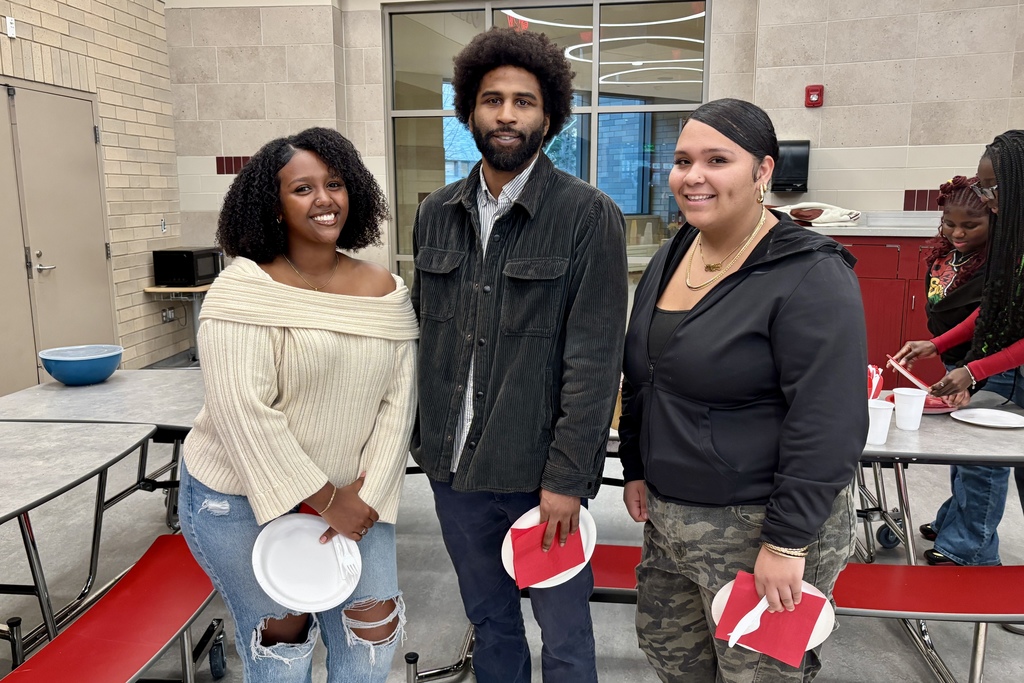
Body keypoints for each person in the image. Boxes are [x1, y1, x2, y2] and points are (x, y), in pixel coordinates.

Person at [618, 98, 867, 682]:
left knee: (758, 675)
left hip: (762, 529)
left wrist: (785, 543)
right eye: (682, 161)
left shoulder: (809, 272)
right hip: (672, 522)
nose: (693, 176)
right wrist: (635, 464)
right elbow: (644, 373)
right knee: (673, 659)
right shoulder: (673, 252)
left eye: (717, 160)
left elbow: (828, 420)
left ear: (763, 171)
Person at [410, 27, 627, 683]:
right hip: (454, 475)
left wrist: (567, 480)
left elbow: (594, 364)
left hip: (539, 479)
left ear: (549, 116)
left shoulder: (588, 215)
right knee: (491, 621)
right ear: (469, 112)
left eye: (523, 101)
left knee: (563, 635)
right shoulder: (435, 214)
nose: (506, 114)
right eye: (492, 99)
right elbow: (422, 334)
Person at [177, 127, 418, 682]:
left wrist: (367, 496)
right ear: (274, 205)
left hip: (358, 501)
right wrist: (325, 499)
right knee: (284, 654)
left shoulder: (386, 290)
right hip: (238, 498)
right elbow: (244, 412)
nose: (324, 199)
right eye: (302, 188)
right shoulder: (242, 290)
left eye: (334, 184)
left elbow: (397, 403)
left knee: (372, 644)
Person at [894, 131, 1024, 568]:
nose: (986, 199)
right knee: (975, 453)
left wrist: (972, 370)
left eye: (992, 189)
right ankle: (962, 531)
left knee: (989, 464)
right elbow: (993, 311)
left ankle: (976, 564)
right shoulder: (1013, 235)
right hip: (1000, 365)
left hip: (1006, 366)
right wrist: (939, 344)